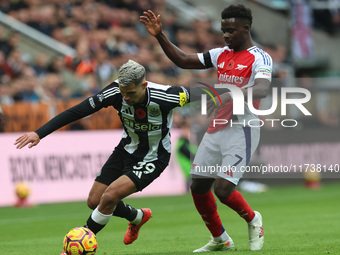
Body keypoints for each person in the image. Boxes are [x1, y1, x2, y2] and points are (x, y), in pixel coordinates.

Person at [14, 59, 192, 253]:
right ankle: (137, 217)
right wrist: (40, 133)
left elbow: (212, 93)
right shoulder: (116, 92)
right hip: (125, 151)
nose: (126, 98)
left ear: (144, 85)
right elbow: (78, 111)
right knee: (94, 201)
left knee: (111, 195)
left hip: (154, 157)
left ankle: (74, 248)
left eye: (131, 93)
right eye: (123, 92)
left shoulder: (168, 96)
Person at [140, 4, 272, 252]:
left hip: (242, 127)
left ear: (246, 28)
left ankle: (253, 219)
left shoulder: (260, 57)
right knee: (199, 186)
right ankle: (220, 239)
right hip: (217, 127)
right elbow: (182, 60)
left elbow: (263, 88)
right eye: (223, 30)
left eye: (231, 30)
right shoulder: (221, 54)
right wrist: (159, 35)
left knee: (223, 189)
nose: (226, 35)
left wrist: (229, 96)